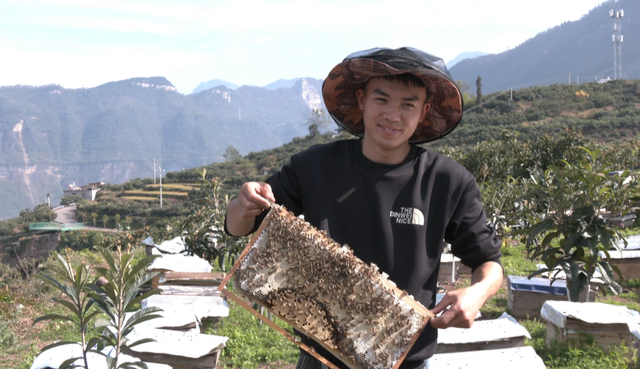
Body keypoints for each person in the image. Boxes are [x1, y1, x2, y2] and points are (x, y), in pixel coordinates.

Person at [225, 47, 503, 369]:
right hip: (321, 356)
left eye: (407, 104)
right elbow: (239, 226)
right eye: (381, 100)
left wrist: (479, 292)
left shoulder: (448, 181)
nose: (392, 115)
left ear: (424, 111)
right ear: (361, 100)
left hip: (403, 359)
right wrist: (243, 204)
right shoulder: (315, 166)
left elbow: (488, 261)